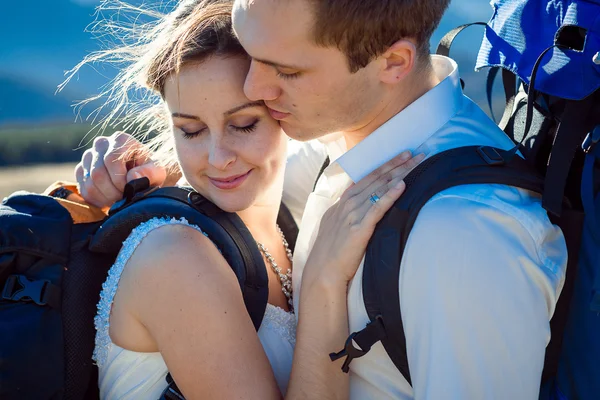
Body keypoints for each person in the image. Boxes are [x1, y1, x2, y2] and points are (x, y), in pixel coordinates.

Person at [81, 0, 568, 398]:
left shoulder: (464, 234)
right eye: (252, 52)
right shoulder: (329, 156)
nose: (255, 86)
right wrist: (144, 175)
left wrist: (322, 290)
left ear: (392, 63)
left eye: (286, 71)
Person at [67, 0, 421, 398]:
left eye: (243, 124)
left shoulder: (287, 215)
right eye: (190, 131)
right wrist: (324, 281)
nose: (219, 158)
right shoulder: (173, 255)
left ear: (285, 109)